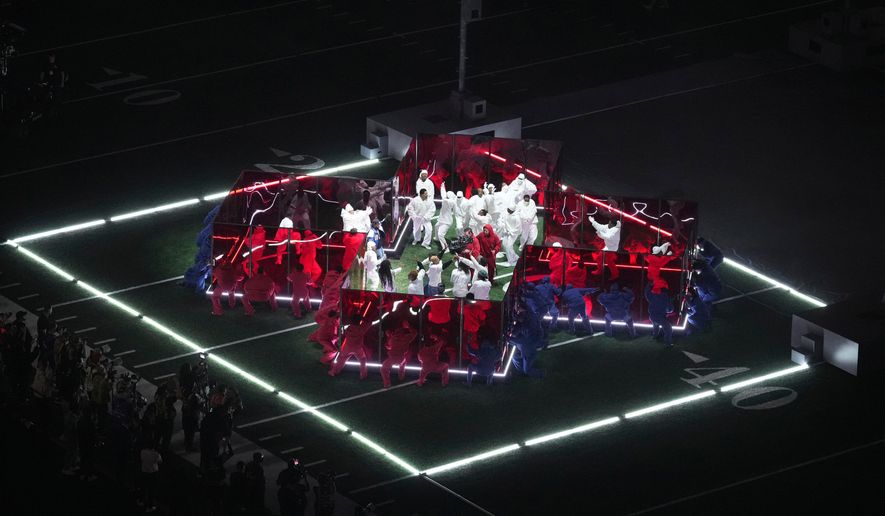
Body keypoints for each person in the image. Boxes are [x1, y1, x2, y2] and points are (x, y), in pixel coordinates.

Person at [329, 314, 372, 379]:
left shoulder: (348, 328)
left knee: (341, 360)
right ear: (359, 321)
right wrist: (363, 318)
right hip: (358, 348)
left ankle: (334, 372)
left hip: (347, 347)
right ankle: (363, 375)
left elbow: (344, 333)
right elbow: (369, 323)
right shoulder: (362, 329)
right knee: (363, 360)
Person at [381, 321, 417, 388]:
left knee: (383, 369)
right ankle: (401, 377)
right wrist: (408, 326)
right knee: (403, 363)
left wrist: (388, 346)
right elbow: (415, 333)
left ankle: (387, 383)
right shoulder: (406, 338)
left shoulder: (392, 338)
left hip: (392, 358)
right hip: (401, 358)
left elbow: (390, 345)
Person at [589, 215, 622, 279]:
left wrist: (599, 234)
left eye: (610, 223)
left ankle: (615, 274)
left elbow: (606, 237)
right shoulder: (609, 228)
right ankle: (604, 271)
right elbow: (600, 227)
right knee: (600, 258)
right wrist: (593, 222)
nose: (608, 224)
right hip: (608, 247)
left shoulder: (614, 231)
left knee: (608, 260)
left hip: (611, 248)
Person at [645, 279, 675, 346]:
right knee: (668, 328)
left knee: (656, 325)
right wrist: (671, 302)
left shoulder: (653, 295)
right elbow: (670, 309)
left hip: (652, 316)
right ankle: (668, 343)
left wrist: (648, 285)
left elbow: (646, 293)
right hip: (660, 317)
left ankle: (655, 336)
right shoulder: (666, 298)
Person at [140, 441, 163, 512]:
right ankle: (150, 505)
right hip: (153, 472)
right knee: (152, 489)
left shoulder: (143, 451)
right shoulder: (156, 454)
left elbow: (141, 459)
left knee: (144, 486)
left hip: (144, 471)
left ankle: (142, 501)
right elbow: (160, 461)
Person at [436, 183, 457, 252]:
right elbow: (444, 195)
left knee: (440, 234)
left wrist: (442, 187)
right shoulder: (450, 200)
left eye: (447, 195)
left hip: (446, 221)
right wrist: (443, 187)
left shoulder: (449, 201)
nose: (446, 196)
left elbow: (443, 195)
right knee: (436, 226)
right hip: (442, 219)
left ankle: (446, 248)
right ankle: (437, 238)